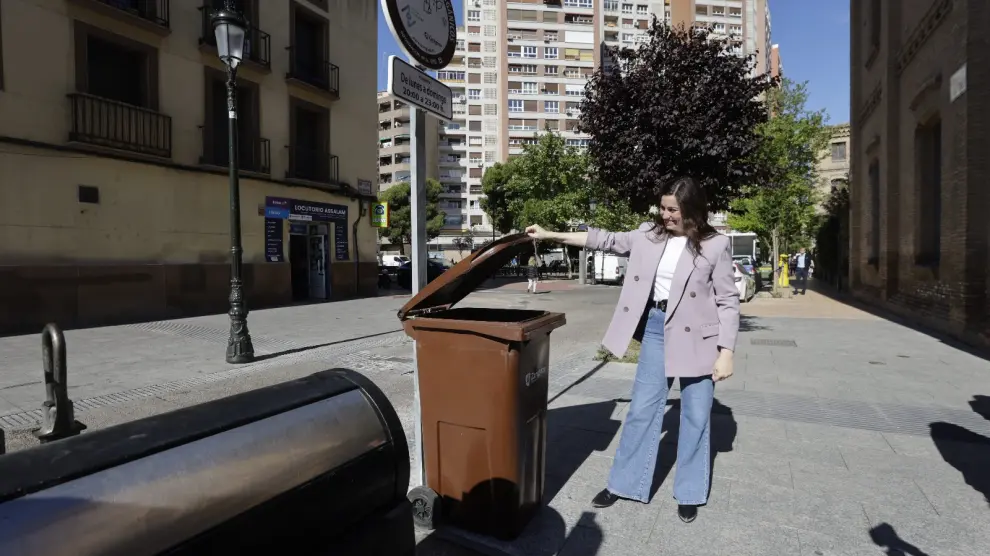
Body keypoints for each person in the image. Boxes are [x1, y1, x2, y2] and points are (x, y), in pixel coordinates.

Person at [526, 176, 739, 523]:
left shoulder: (715, 245)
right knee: (642, 409)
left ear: (692, 210)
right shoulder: (648, 235)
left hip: (700, 339)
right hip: (657, 328)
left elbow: (728, 300)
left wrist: (726, 350)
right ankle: (624, 483)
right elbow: (602, 238)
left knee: (696, 417)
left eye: (673, 210)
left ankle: (689, 492)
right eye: (663, 207)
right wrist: (551, 234)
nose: (665, 215)